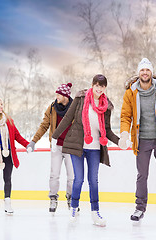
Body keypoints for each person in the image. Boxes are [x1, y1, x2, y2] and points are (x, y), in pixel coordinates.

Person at [51, 74, 119, 227]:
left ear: (104, 88)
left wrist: (119, 141)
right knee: (79, 179)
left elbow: (107, 130)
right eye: (97, 85)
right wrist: (55, 137)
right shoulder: (81, 99)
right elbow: (68, 118)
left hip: (95, 148)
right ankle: (74, 209)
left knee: (93, 181)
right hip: (78, 146)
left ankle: (95, 213)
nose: (99, 89)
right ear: (92, 85)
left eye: (102, 86)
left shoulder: (106, 106)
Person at [119, 58, 156, 221]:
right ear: (139, 73)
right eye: (142, 70)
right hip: (142, 139)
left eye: (147, 70)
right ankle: (139, 208)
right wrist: (124, 133)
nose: (145, 72)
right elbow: (125, 115)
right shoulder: (131, 92)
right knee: (142, 175)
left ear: (151, 72)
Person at [26, 83, 74, 213]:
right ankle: (53, 198)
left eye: (59, 94)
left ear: (65, 95)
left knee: (72, 177)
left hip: (71, 147)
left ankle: (71, 198)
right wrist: (33, 141)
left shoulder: (75, 107)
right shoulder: (52, 108)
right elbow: (44, 126)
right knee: (54, 175)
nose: (56, 96)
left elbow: (81, 126)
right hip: (56, 146)